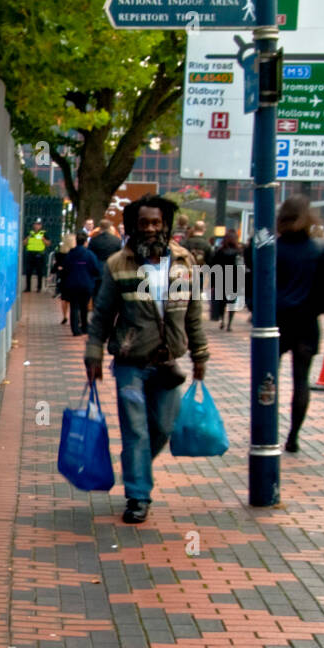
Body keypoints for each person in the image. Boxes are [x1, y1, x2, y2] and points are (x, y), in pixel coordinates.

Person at [85, 194, 209, 524]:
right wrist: (93, 353)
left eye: (156, 223)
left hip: (168, 363)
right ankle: (138, 496)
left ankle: (135, 467)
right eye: (144, 223)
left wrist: (200, 355)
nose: (151, 229)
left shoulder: (185, 263)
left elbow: (194, 315)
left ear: (166, 225)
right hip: (130, 362)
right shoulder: (118, 264)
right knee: (136, 431)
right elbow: (101, 315)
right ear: (133, 227)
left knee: (162, 428)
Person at [244, 196, 324, 452]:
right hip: (306, 321)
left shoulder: (269, 247)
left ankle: (266, 430)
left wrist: (256, 309)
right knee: (301, 380)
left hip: (274, 321)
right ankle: (293, 437)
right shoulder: (319, 249)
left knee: (267, 379)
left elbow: (252, 280)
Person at [61, 231, 104, 336]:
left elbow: (65, 269)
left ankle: (75, 329)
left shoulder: (70, 254)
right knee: (84, 306)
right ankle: (84, 326)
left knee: (74, 306)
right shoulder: (90, 255)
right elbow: (96, 269)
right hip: (86, 284)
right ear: (85, 242)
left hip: (72, 284)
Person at [209, 227, 245, 330]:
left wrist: (213, 282)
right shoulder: (238, 252)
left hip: (221, 278)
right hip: (234, 279)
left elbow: (214, 266)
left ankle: (222, 320)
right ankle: (229, 323)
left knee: (222, 302)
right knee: (232, 302)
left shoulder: (220, 251)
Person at [51, 232, 75, 324]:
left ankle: (65, 315)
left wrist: (52, 273)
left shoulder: (60, 254)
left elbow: (56, 265)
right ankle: (73, 315)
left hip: (64, 278)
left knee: (64, 298)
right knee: (73, 299)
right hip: (73, 277)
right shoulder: (74, 253)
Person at [24, 219, 48, 292]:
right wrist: (28, 238)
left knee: (39, 272)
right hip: (30, 254)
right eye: (36, 224)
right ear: (33, 225)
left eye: (39, 224)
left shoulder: (43, 233)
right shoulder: (29, 233)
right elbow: (24, 243)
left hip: (39, 254)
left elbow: (48, 243)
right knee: (28, 271)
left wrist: (43, 239)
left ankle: (39, 287)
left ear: (41, 226)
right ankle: (28, 287)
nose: (37, 226)